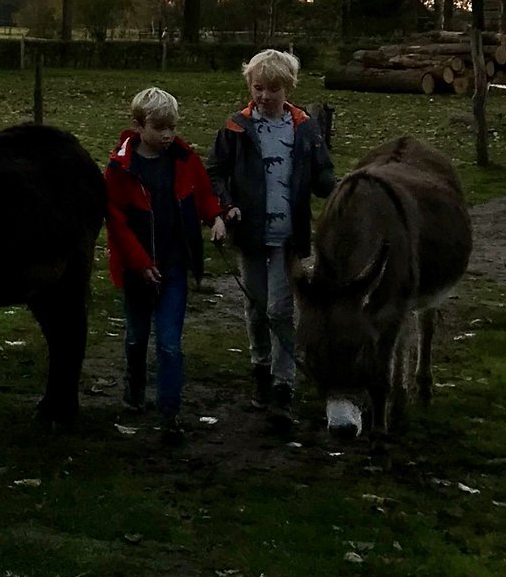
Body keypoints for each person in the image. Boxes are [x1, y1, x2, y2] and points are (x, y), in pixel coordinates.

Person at [209, 48, 338, 434]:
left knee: (281, 309)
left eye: (273, 89)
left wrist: (338, 189)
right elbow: (214, 171)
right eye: (258, 88)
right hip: (250, 234)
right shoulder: (235, 129)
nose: (265, 96)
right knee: (256, 306)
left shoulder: (305, 128)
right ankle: (260, 368)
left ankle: (284, 384)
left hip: (289, 237)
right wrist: (225, 205)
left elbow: (323, 174)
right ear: (250, 85)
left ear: (288, 88)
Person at [101, 86, 225, 445]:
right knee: (137, 337)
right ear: (139, 125)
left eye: (172, 127)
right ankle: (134, 392)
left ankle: (170, 411)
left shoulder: (185, 159)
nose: (169, 135)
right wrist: (140, 264)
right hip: (137, 271)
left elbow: (202, 194)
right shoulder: (120, 169)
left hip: (173, 268)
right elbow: (117, 224)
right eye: (160, 128)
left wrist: (215, 217)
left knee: (170, 343)